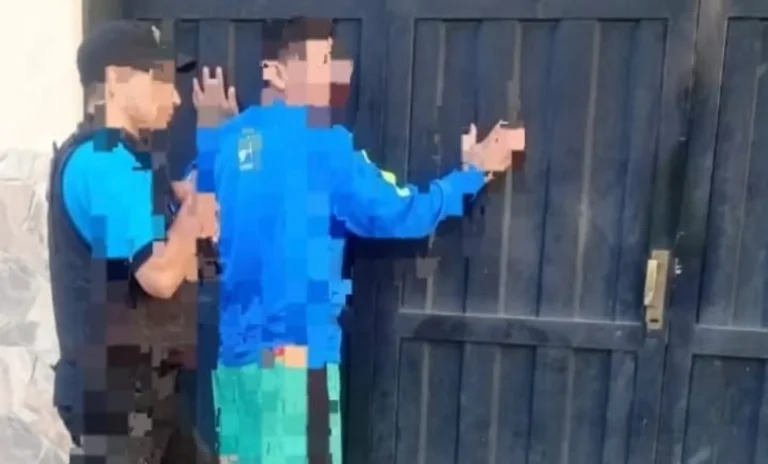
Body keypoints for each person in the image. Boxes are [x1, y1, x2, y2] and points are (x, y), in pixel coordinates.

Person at [190, 17, 525, 464]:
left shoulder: (225, 139)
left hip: (235, 363)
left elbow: (190, 209)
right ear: (277, 71)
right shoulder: (324, 146)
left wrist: (214, 135)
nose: (332, 74)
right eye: (321, 61)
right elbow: (400, 211)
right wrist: (473, 173)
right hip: (295, 365)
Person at [48, 20, 207, 463]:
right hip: (119, 405)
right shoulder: (107, 162)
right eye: (159, 79)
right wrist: (192, 218)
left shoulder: (119, 160)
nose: (175, 97)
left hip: (143, 396)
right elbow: (160, 275)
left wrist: (178, 204)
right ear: (116, 78)